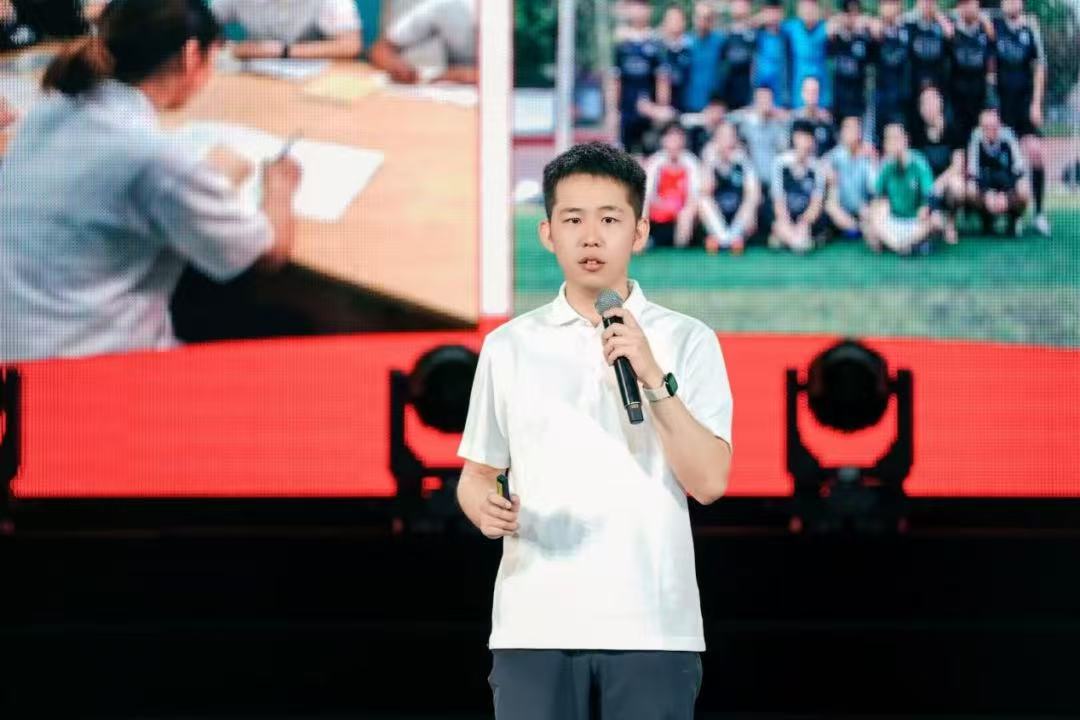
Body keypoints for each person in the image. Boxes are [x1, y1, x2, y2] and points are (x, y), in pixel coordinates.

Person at [456, 140, 733, 720]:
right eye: (573, 220)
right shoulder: (508, 347)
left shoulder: (688, 340)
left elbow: (709, 481)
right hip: (535, 626)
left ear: (639, 232)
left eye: (609, 220)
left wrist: (653, 376)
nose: (590, 237)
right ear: (547, 233)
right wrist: (484, 506)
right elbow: (478, 473)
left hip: (654, 629)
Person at [0, 0, 300, 361]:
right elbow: (268, 254)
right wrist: (279, 188)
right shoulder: (153, 157)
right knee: (284, 323)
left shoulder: (50, 111)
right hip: (80, 369)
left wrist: (204, 177)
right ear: (191, 55)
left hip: (15, 350)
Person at [993, 0, 1049, 235]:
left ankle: (1039, 213)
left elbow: (1040, 68)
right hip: (1002, 106)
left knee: (1035, 153)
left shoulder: (1030, 30)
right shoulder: (994, 26)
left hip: (1025, 105)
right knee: (1007, 160)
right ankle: (1014, 214)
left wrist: (1036, 104)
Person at [607, 0, 671, 156]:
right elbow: (616, 80)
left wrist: (661, 107)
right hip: (627, 112)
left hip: (649, 112)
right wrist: (613, 111)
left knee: (650, 155)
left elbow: (662, 79)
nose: (638, 11)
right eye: (635, 6)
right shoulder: (621, 43)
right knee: (625, 157)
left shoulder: (656, 43)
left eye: (642, 7)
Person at [866, 123, 939, 254]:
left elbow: (930, 196)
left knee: (935, 220)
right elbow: (876, 197)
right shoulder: (886, 166)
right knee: (870, 225)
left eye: (896, 138)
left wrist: (925, 208)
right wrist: (874, 214)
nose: (893, 143)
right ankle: (903, 246)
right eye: (889, 139)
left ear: (905, 140)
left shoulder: (919, 163)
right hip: (893, 221)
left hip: (916, 221)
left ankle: (903, 244)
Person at [730, 84, 790, 235]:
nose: (764, 103)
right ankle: (735, 236)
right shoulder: (746, 123)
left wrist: (782, 117)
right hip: (752, 179)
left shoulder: (778, 124)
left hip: (774, 179)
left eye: (767, 99)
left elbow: (785, 149)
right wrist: (746, 111)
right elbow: (727, 118)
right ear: (755, 101)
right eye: (761, 99)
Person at [210, 0, 362, 60]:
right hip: (252, 73)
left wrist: (282, 51)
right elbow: (205, 23)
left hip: (313, 76)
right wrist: (226, 46)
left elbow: (351, 45)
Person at [370, 0, 477, 85]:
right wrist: (395, 65)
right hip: (454, 98)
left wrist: (464, 75)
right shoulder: (448, 7)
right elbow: (381, 48)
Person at [910, 86, 965, 243]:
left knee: (958, 186)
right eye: (924, 103)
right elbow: (913, 162)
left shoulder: (953, 127)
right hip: (923, 181)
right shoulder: (916, 130)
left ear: (940, 104)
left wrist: (940, 183)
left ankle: (951, 223)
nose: (928, 107)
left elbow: (958, 164)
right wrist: (927, 183)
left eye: (932, 101)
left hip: (945, 181)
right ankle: (927, 220)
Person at [967, 107, 1029, 236]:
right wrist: (987, 193)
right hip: (987, 184)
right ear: (981, 127)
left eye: (994, 127)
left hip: (1006, 184)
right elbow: (973, 172)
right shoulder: (976, 136)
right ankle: (986, 220)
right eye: (986, 127)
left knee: (1024, 188)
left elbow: (1019, 170)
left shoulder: (1008, 136)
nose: (990, 130)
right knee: (970, 188)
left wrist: (1006, 195)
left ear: (999, 125)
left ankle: (1014, 220)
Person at [700, 121, 760, 254]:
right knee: (702, 200)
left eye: (731, 136)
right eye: (723, 136)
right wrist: (711, 162)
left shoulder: (743, 159)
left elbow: (754, 192)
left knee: (751, 200)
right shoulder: (710, 157)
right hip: (717, 213)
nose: (727, 141)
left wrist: (753, 214)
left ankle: (725, 240)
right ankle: (727, 240)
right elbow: (706, 189)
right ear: (716, 139)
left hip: (737, 213)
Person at [769, 119, 826, 252]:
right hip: (785, 214)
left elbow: (816, 203)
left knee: (821, 219)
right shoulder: (780, 163)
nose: (805, 143)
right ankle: (795, 241)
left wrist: (804, 223)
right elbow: (778, 200)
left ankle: (784, 238)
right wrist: (787, 224)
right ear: (794, 138)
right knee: (776, 221)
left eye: (808, 138)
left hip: (805, 215)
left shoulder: (817, 167)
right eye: (801, 137)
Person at [643, 122, 702, 248]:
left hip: (682, 211)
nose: (674, 142)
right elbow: (648, 194)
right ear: (663, 140)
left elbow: (694, 194)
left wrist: (682, 209)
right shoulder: (655, 162)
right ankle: (642, 241)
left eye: (678, 138)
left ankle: (680, 249)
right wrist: (663, 205)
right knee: (642, 205)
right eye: (670, 138)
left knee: (687, 213)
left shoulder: (691, 162)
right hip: (659, 209)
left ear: (683, 140)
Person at [823, 115, 876, 240]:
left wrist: (874, 161)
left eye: (855, 129)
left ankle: (859, 228)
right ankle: (856, 227)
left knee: (874, 207)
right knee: (830, 203)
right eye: (848, 129)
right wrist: (828, 170)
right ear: (842, 133)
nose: (851, 133)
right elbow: (821, 164)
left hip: (863, 206)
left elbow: (873, 187)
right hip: (842, 206)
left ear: (860, 133)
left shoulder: (868, 155)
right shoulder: (836, 154)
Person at [948, 0, 994, 144]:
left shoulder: (987, 28)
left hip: (980, 95)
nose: (968, 8)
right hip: (957, 97)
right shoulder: (950, 28)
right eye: (963, 4)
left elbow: (993, 58)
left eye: (971, 3)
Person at [869, 0, 911, 146]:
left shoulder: (908, 29)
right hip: (881, 98)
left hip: (903, 98)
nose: (889, 8)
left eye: (893, 3)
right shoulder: (873, 31)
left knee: (901, 142)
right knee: (878, 143)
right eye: (885, 4)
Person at [826, 0, 872, 126]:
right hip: (838, 100)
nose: (852, 17)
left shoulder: (865, 38)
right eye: (848, 12)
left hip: (857, 100)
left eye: (855, 13)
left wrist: (869, 27)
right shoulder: (835, 37)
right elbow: (826, 52)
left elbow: (874, 56)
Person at [782, 0, 830, 110]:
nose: (808, 11)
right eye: (805, 8)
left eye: (811, 8)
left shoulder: (826, 28)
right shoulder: (792, 27)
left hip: (821, 88)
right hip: (798, 87)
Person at [903, 0, 953, 101]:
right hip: (915, 81)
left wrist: (938, 16)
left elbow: (950, 34)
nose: (927, 5)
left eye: (931, 2)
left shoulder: (942, 23)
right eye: (925, 2)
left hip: (938, 80)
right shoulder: (910, 23)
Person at [715, 0, 757, 111]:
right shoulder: (723, 34)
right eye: (736, 3)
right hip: (726, 97)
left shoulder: (755, 34)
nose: (739, 6)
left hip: (748, 97)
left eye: (743, 3)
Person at [684, 1, 723, 114]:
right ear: (693, 18)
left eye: (707, 18)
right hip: (688, 107)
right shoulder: (685, 42)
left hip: (713, 108)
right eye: (699, 17)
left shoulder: (720, 42)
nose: (702, 21)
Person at [753, 0, 790, 108]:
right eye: (769, 11)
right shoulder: (757, 34)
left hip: (781, 94)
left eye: (776, 11)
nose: (773, 16)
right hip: (760, 93)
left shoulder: (786, 34)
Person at [659, 4, 692, 114]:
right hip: (663, 110)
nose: (675, 23)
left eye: (678, 19)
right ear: (664, 23)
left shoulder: (691, 49)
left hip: (687, 107)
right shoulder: (657, 50)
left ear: (684, 22)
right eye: (671, 19)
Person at [791, 76, 834, 155]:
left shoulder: (826, 120)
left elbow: (832, 148)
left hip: (822, 160)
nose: (811, 96)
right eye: (808, 91)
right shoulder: (795, 119)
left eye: (814, 92)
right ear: (802, 93)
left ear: (819, 95)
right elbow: (789, 147)